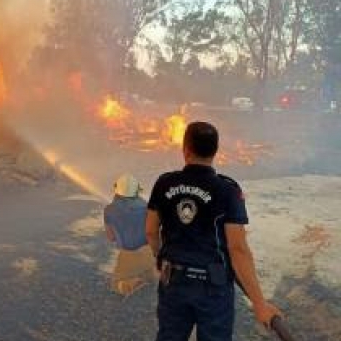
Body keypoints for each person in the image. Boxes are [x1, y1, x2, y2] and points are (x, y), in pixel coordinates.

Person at [145, 121, 282, 341]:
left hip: (174, 281)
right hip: (213, 287)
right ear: (215, 151)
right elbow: (237, 248)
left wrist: (159, 257)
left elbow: (151, 231)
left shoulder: (164, 183)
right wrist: (260, 304)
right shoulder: (227, 190)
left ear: (185, 150)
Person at [104, 174, 155, 296]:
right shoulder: (147, 207)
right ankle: (149, 277)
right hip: (148, 252)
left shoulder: (109, 210)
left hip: (127, 255)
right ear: (137, 190)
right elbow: (152, 232)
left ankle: (131, 283)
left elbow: (111, 238)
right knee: (149, 273)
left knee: (116, 285)